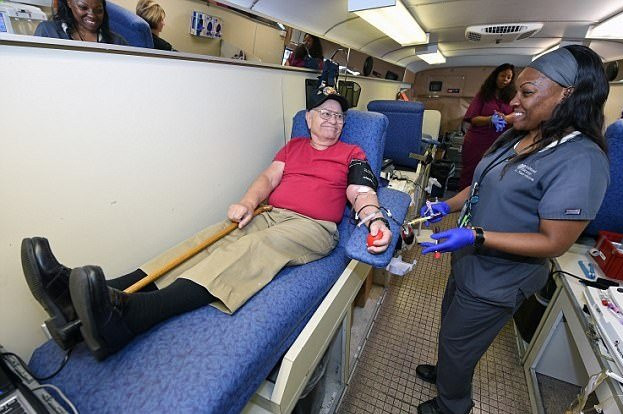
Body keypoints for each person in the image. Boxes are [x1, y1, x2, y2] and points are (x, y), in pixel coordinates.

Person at [22, 85, 393, 360]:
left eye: (339, 116)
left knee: (254, 247)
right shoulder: (292, 147)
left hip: (314, 227)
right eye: (325, 113)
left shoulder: (351, 152)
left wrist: (373, 217)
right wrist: (248, 202)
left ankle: (132, 316)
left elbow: (360, 190)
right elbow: (268, 178)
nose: (333, 121)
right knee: (211, 238)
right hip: (269, 213)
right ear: (308, 119)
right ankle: (86, 295)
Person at [414, 45, 610, 414]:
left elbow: (554, 242)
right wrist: (448, 205)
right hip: (469, 260)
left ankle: (452, 405)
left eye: (527, 92)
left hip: (499, 277)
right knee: (452, 329)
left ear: (567, 94)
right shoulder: (520, 134)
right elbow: (482, 183)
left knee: (460, 342)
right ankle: (447, 373)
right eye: (516, 90)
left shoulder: (582, 160)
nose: (514, 101)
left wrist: (477, 236)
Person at [458, 63, 517, 190]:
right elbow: (473, 118)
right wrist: (490, 119)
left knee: (492, 175)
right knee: (470, 173)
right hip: (477, 142)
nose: (505, 80)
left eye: (509, 77)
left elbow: (518, 114)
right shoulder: (483, 95)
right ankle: (463, 199)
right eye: (503, 76)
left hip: (500, 143)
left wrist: (506, 118)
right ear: (496, 76)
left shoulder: (512, 97)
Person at [34, 0, 127, 45]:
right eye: (83, 7)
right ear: (69, 2)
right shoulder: (48, 32)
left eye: (98, 10)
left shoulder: (117, 42)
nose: (92, 15)